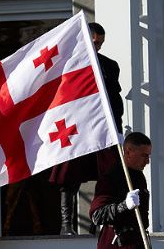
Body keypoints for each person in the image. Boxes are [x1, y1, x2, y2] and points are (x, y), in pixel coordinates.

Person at [49, 22, 124, 235]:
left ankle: (99, 221)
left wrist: (117, 129)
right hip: (75, 128)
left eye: (100, 43)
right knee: (69, 178)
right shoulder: (69, 64)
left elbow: (115, 100)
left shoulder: (109, 66)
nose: (98, 46)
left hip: (101, 129)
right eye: (94, 42)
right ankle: (66, 225)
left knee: (108, 174)